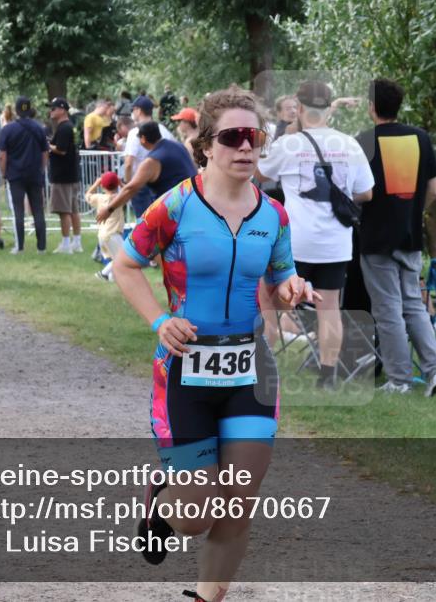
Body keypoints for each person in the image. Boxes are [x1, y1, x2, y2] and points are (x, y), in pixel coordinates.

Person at [112, 85, 313, 602]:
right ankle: (163, 502)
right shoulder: (173, 207)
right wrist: (160, 321)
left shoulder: (274, 215)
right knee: (196, 515)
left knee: (239, 501)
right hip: (185, 372)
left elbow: (282, 275)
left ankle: (206, 598)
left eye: (255, 137)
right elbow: (125, 265)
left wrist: (292, 288)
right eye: (234, 137)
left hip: (251, 371)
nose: (246, 147)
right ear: (206, 145)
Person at [257, 80, 374, 389]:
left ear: (299, 104)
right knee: (329, 308)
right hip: (334, 241)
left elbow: (260, 175)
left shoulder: (288, 144)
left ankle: (265, 368)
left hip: (295, 241)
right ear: (329, 106)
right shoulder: (349, 144)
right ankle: (328, 375)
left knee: (270, 301)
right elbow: (366, 192)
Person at [356, 78, 436, 396]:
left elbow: (357, 192)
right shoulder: (420, 138)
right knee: (414, 305)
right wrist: (412, 213)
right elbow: (433, 189)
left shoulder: (364, 141)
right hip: (409, 236)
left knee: (387, 309)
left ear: (372, 107)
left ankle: (399, 379)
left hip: (375, 236)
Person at [97, 121, 196, 223]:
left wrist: (109, 209)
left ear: (143, 139)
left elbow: (130, 189)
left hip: (173, 212)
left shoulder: (152, 161)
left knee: (140, 235)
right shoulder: (179, 147)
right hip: (193, 203)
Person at [0, 96, 49, 254]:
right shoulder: (39, 128)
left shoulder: (7, 129)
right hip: (35, 174)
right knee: (38, 210)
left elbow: (2, 155)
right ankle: (41, 247)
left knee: (18, 211)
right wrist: (42, 169)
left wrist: (4, 172)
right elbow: (45, 152)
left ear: (16, 110)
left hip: (16, 175)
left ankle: (19, 246)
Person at [122, 96, 175, 219]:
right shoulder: (164, 130)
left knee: (144, 225)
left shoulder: (135, 133)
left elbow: (129, 163)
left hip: (141, 184)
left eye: (133, 109)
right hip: (162, 183)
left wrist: (129, 186)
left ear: (139, 110)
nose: (132, 113)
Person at [47, 97, 82, 254]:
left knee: (64, 211)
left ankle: (66, 244)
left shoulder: (64, 128)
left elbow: (61, 149)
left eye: (53, 108)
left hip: (62, 176)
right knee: (73, 209)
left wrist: (47, 145)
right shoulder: (70, 127)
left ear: (62, 110)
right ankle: (77, 241)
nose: (51, 111)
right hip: (71, 174)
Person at [85, 171, 124, 281]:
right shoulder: (118, 198)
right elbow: (129, 192)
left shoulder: (99, 198)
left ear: (102, 186)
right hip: (113, 234)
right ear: (117, 185)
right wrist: (121, 184)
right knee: (124, 258)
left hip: (102, 235)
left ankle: (112, 277)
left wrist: (96, 184)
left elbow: (87, 195)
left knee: (115, 258)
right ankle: (103, 273)